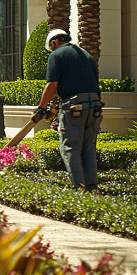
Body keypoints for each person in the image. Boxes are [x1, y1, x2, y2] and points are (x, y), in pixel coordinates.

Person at [36, 29, 103, 192]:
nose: (52, 50)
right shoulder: (86, 55)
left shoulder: (57, 55)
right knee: (89, 147)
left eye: (51, 47)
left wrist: (41, 108)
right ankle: (91, 186)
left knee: (70, 147)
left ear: (55, 43)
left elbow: (52, 85)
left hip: (74, 106)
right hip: (95, 106)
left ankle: (78, 187)